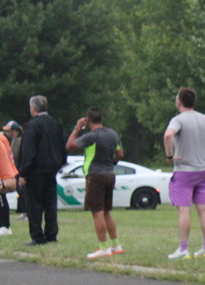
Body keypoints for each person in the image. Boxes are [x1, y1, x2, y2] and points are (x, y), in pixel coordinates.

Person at [163, 87, 205, 259]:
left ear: (179, 102)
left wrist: (169, 155)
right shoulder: (204, 118)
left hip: (184, 171)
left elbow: (168, 135)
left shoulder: (178, 120)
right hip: (203, 169)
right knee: (203, 208)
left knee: (184, 210)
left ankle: (183, 249)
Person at [66, 107, 126, 259]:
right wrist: (112, 162)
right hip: (110, 173)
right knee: (106, 211)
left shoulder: (91, 136)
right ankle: (116, 245)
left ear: (88, 120)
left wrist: (77, 128)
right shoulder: (112, 134)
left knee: (97, 211)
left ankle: (103, 247)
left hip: (95, 175)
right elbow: (120, 154)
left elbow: (70, 145)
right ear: (102, 118)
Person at [19, 96, 66, 246]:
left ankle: (37, 237)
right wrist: (59, 163)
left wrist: (23, 173)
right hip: (52, 170)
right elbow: (62, 147)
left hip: (35, 170)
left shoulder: (32, 125)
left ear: (33, 108)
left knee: (34, 205)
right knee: (50, 204)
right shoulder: (55, 124)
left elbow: (29, 151)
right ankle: (51, 235)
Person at [0, 124, 18, 236]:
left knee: (2, 196)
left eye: (10, 130)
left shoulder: (2, 140)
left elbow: (9, 157)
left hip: (5, 171)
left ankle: (4, 225)